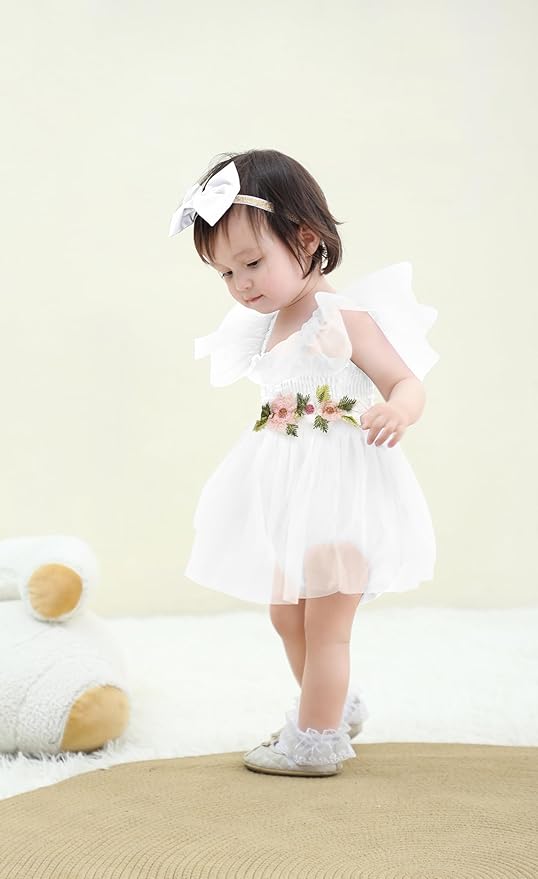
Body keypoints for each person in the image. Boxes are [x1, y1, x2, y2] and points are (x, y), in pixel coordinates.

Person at [169, 149, 440, 778]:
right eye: (226, 273)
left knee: (326, 624)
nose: (242, 284)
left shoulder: (340, 316)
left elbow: (405, 381)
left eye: (252, 263)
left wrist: (397, 410)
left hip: (342, 494)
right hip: (291, 497)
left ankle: (315, 741)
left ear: (307, 239)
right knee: (286, 613)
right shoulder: (266, 325)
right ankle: (332, 706)